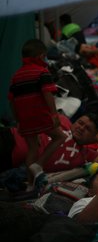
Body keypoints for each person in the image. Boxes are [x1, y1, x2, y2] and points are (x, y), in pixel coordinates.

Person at [8, 40, 67, 187]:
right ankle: (39, 165)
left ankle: (30, 185)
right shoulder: (42, 72)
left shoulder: (15, 76)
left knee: (32, 149)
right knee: (60, 136)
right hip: (40, 116)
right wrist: (54, 114)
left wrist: (18, 121)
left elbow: (12, 101)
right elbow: (48, 94)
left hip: (25, 119)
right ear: (41, 56)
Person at [0, 113, 98, 176]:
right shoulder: (63, 121)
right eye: (80, 123)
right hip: (9, 136)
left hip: (11, 159)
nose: (81, 128)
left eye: (87, 128)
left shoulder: (85, 155)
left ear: (94, 138)